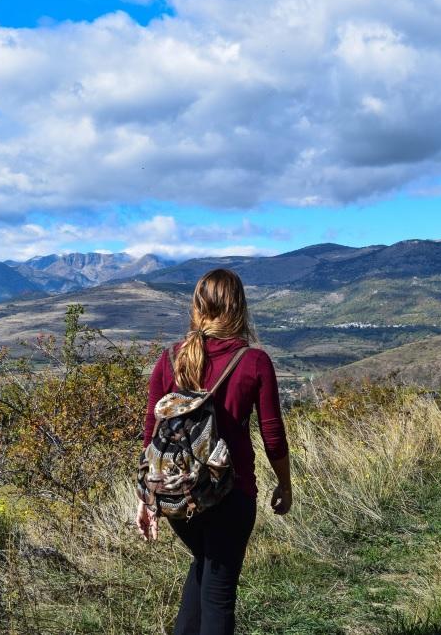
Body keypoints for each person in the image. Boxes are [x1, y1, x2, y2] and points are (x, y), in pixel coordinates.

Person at [137, 268, 292, 635]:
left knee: (204, 568)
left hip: (177, 495)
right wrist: (285, 485)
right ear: (239, 307)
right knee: (219, 597)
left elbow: (152, 430)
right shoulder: (253, 361)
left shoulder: (170, 358)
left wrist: (146, 496)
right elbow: (272, 434)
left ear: (197, 306)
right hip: (230, 494)